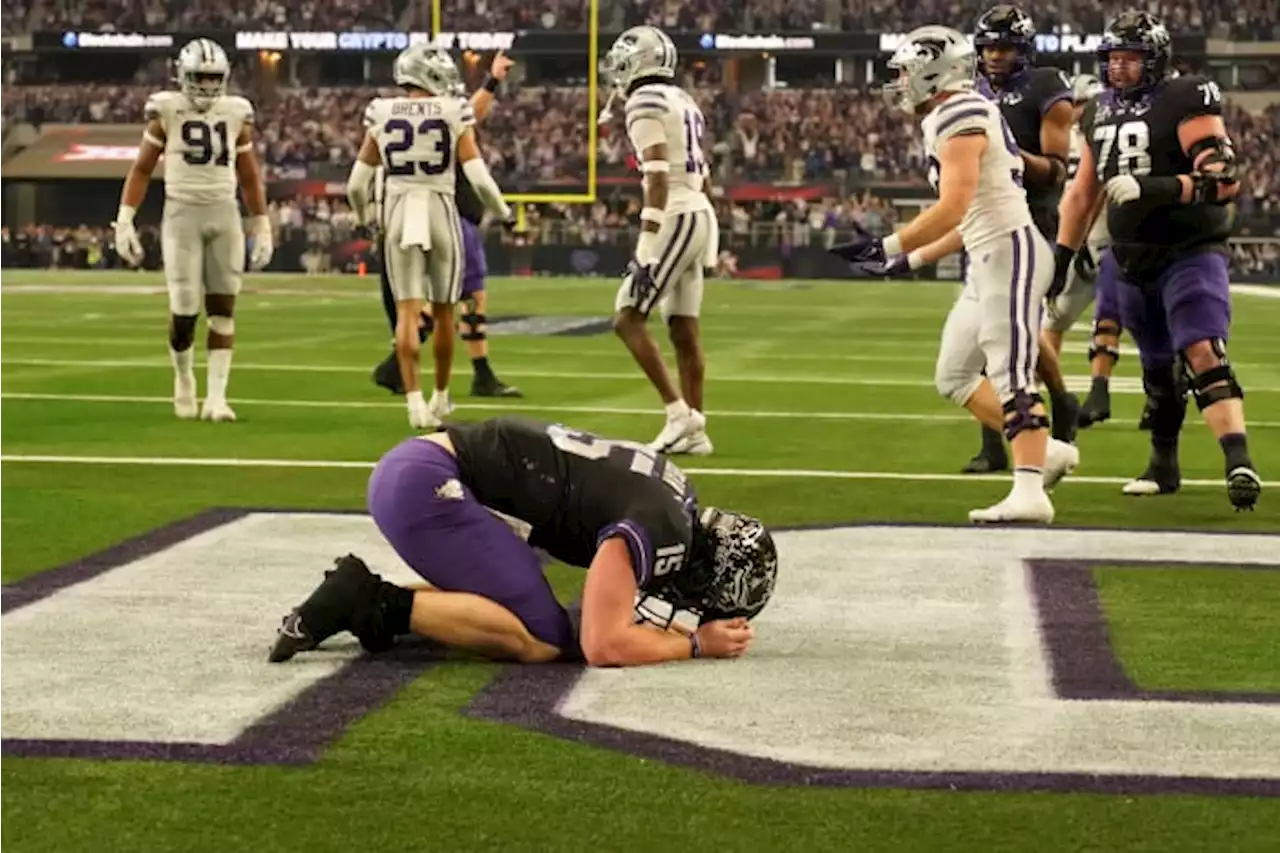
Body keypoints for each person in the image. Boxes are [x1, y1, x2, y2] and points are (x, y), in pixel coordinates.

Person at [269, 417, 778, 666]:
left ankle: (354, 599)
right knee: (543, 640)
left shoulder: (676, 497)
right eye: (703, 597)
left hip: (423, 470)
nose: (690, 603)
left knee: (518, 602)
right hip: (429, 483)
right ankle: (369, 600)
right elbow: (600, 645)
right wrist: (693, 643)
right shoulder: (662, 529)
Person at [831, 25, 1078, 523]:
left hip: (1010, 251)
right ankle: (1045, 451)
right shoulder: (951, 113)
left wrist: (889, 243)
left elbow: (953, 206)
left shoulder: (961, 112)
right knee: (955, 374)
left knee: (1011, 372)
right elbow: (968, 219)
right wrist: (907, 261)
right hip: (989, 252)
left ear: (933, 71)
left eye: (905, 72)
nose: (899, 83)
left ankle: (1031, 491)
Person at [1052, 11, 1260, 509]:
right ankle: (1163, 466)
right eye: (1113, 59)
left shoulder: (1185, 97)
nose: (1119, 69)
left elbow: (1224, 178)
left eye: (1131, 59)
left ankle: (1239, 462)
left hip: (1189, 249)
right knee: (1157, 371)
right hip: (1130, 258)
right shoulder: (1096, 111)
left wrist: (1156, 187)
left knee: (1203, 350)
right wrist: (1061, 258)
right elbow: (1082, 195)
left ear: (1156, 60)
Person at [347, 45, 512, 430]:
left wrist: (365, 217)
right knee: (442, 312)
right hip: (440, 208)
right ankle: (440, 396)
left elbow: (356, 184)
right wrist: (504, 212)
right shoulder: (452, 111)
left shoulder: (381, 111)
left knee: (406, 312)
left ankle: (413, 403)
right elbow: (479, 178)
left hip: (400, 209)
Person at [113, 38, 272, 422]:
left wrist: (261, 221)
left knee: (224, 309)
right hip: (182, 213)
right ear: (183, 75)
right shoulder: (167, 110)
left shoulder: (235, 113)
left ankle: (217, 398)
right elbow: (142, 169)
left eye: (213, 77)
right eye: (199, 77)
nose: (205, 85)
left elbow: (248, 175)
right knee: (184, 310)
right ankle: (183, 377)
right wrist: (124, 218)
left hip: (224, 212)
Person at [961, 4, 1079, 474]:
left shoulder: (1047, 86)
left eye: (1004, 47)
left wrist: (1009, 157)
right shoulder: (975, 90)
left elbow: (1055, 170)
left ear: (1024, 49)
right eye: (988, 47)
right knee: (1006, 326)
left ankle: (997, 441)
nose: (994, 56)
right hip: (985, 217)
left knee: (1005, 327)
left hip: (1030, 216)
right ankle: (1058, 403)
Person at [602, 26, 718, 455]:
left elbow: (656, 176)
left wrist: (647, 246)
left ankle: (679, 414)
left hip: (677, 211)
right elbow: (702, 172)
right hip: (698, 210)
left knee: (627, 316)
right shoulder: (682, 99)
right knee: (683, 328)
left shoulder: (643, 100)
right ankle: (696, 430)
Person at [1042, 73, 1124, 429]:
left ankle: (1099, 392)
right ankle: (1054, 394)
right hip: (1073, 239)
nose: (1079, 111)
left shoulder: (1107, 136)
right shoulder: (1065, 137)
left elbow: (1097, 190)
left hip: (1109, 238)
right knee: (1053, 320)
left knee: (1112, 318)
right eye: (1076, 104)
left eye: (1085, 105)